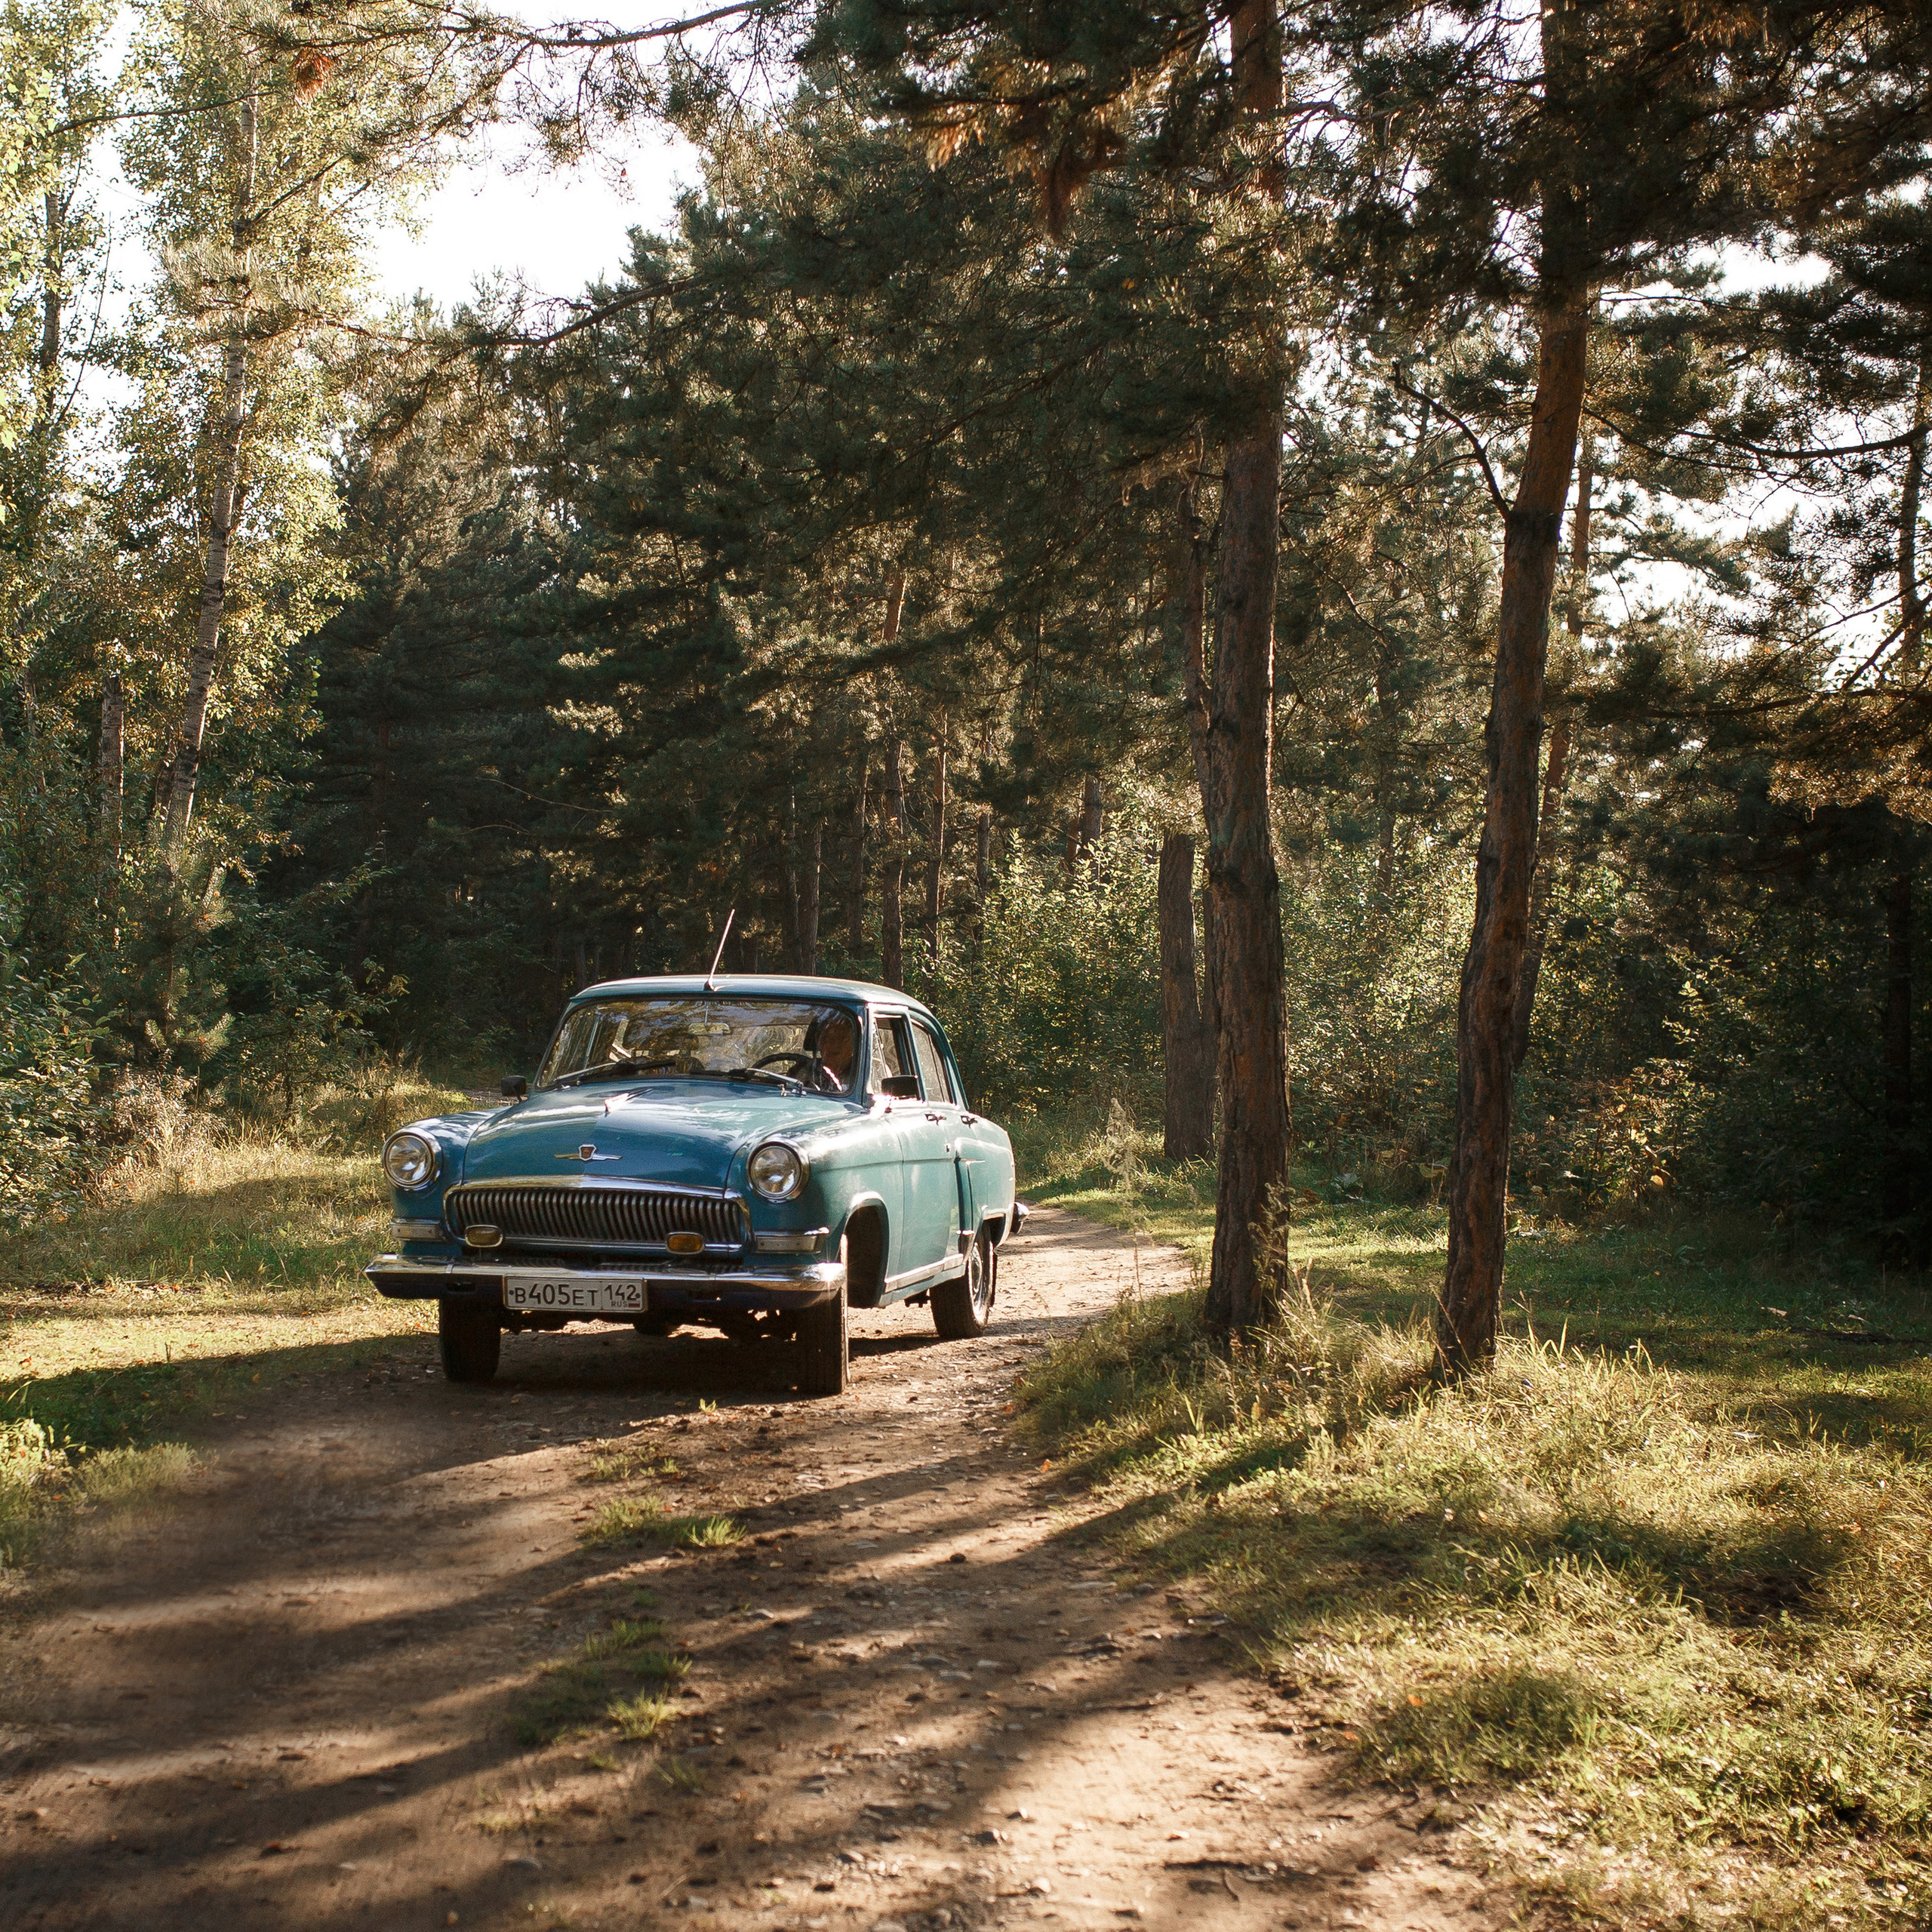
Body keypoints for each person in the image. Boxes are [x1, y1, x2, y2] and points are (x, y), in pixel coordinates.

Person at [816, 1011, 857, 1094]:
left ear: (854, 1044)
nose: (834, 1045)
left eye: (842, 1038)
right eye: (828, 1038)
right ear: (820, 1043)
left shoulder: (868, 1069)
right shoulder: (803, 1069)